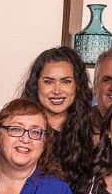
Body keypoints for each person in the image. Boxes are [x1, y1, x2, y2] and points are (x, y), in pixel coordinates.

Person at [19, 46, 95, 185]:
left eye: (66, 81)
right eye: (48, 82)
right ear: (36, 85)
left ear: (77, 86)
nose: (57, 90)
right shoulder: (20, 133)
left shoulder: (91, 135)